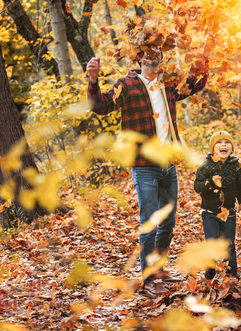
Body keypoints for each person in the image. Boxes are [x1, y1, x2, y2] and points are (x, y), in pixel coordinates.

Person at [86, 47, 208, 296]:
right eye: (148, 51)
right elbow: (100, 105)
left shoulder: (169, 85)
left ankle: (159, 269)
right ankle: (148, 278)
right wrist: (93, 80)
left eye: (157, 51)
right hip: (143, 165)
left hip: (168, 164)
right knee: (149, 222)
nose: (153, 56)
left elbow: (194, 85)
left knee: (168, 221)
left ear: (161, 57)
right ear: (139, 57)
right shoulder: (127, 85)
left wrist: (206, 57)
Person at [194, 131, 241, 279]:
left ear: (232, 147)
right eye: (219, 142)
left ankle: (231, 274)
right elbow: (197, 187)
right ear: (212, 148)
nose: (223, 145)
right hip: (209, 212)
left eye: (227, 142)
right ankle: (209, 275)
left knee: (229, 245)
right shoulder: (205, 166)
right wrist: (210, 183)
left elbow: (239, 185)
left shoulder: (235, 165)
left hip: (229, 211)